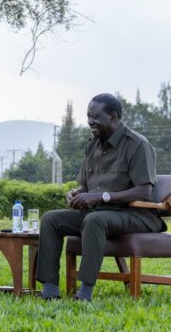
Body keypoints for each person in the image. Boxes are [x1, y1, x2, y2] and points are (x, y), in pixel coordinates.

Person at [36, 93, 163, 301]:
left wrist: (101, 197)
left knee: (94, 219)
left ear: (113, 117)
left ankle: (84, 292)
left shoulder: (138, 145)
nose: (90, 122)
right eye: (88, 116)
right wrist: (77, 194)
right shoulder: (92, 145)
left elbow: (144, 191)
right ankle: (50, 290)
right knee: (51, 219)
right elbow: (85, 185)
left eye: (94, 116)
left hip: (136, 214)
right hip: (100, 214)